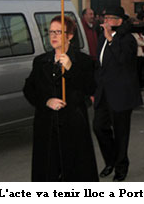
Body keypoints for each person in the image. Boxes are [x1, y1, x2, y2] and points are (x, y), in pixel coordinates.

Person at [23, 15, 98, 181]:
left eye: (58, 32)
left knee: (75, 173)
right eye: (50, 32)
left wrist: (71, 68)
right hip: (47, 126)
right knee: (48, 172)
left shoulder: (83, 61)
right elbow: (29, 89)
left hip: (73, 126)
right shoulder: (41, 61)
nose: (53, 36)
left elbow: (90, 88)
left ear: (70, 36)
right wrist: (45, 101)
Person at [93, 6, 143, 182]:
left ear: (120, 21)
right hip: (103, 92)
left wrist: (111, 40)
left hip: (121, 93)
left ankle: (121, 167)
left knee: (121, 133)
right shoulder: (102, 39)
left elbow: (123, 61)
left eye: (109, 18)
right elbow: (99, 64)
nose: (105, 21)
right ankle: (110, 161)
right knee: (99, 127)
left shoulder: (127, 39)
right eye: (104, 18)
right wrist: (95, 88)